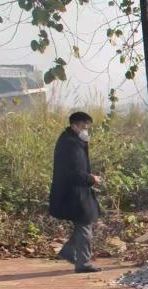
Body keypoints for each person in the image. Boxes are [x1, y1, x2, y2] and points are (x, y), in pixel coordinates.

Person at [50, 111, 102, 273]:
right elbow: (73, 171)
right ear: (74, 126)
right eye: (83, 127)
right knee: (85, 224)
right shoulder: (70, 144)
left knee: (84, 223)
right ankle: (83, 263)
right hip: (74, 192)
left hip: (75, 190)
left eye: (87, 128)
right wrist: (90, 178)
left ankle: (68, 251)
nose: (86, 130)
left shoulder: (71, 140)